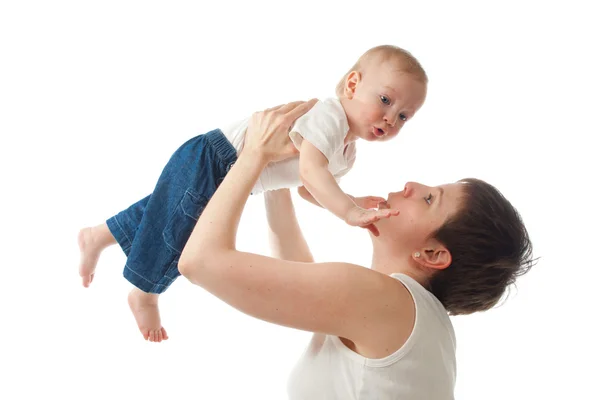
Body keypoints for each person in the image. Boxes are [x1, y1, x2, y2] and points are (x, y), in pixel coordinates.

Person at [177, 100, 536, 399]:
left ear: (432, 255)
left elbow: (200, 262)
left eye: (429, 199)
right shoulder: (411, 317)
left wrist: (254, 153)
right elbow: (299, 273)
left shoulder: (390, 303)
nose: (412, 185)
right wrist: (277, 176)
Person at [77, 44, 428, 342]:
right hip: (215, 159)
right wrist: (349, 213)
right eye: (385, 100)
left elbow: (307, 189)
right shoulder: (330, 117)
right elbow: (311, 171)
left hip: (231, 177)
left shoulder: (347, 153)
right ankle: (145, 291)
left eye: (404, 117)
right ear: (353, 84)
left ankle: (97, 235)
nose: (390, 119)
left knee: (161, 212)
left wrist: (351, 200)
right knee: (178, 232)